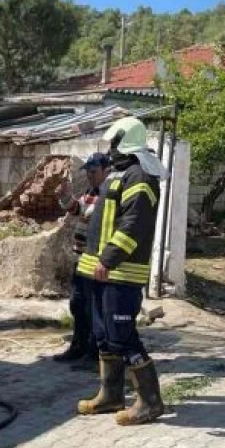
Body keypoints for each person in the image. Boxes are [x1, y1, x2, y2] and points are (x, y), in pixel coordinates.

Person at [76, 117, 167, 426]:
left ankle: (151, 402)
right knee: (103, 337)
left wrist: (108, 260)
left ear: (126, 141)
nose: (111, 150)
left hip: (121, 274)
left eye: (114, 143)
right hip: (101, 273)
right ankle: (111, 395)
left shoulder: (140, 177)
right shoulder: (121, 174)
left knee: (123, 336)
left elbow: (133, 225)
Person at [52, 152, 110, 363]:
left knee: (92, 308)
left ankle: (94, 353)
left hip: (94, 260)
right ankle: (79, 345)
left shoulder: (109, 195)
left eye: (94, 172)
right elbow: (77, 209)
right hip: (81, 258)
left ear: (106, 171)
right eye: (88, 172)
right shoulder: (90, 192)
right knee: (77, 304)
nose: (89, 176)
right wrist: (65, 196)